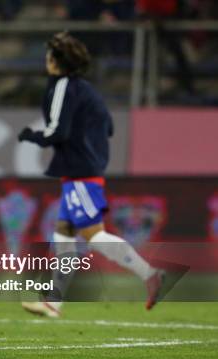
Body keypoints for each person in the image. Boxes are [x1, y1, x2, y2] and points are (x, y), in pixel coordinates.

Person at [17, 32, 164, 318]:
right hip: (85, 171)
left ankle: (151, 274)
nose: (46, 62)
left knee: (93, 235)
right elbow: (108, 127)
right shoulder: (89, 90)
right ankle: (52, 302)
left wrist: (32, 135)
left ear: (58, 62)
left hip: (80, 172)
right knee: (64, 235)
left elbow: (57, 131)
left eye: (49, 57)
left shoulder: (63, 86)